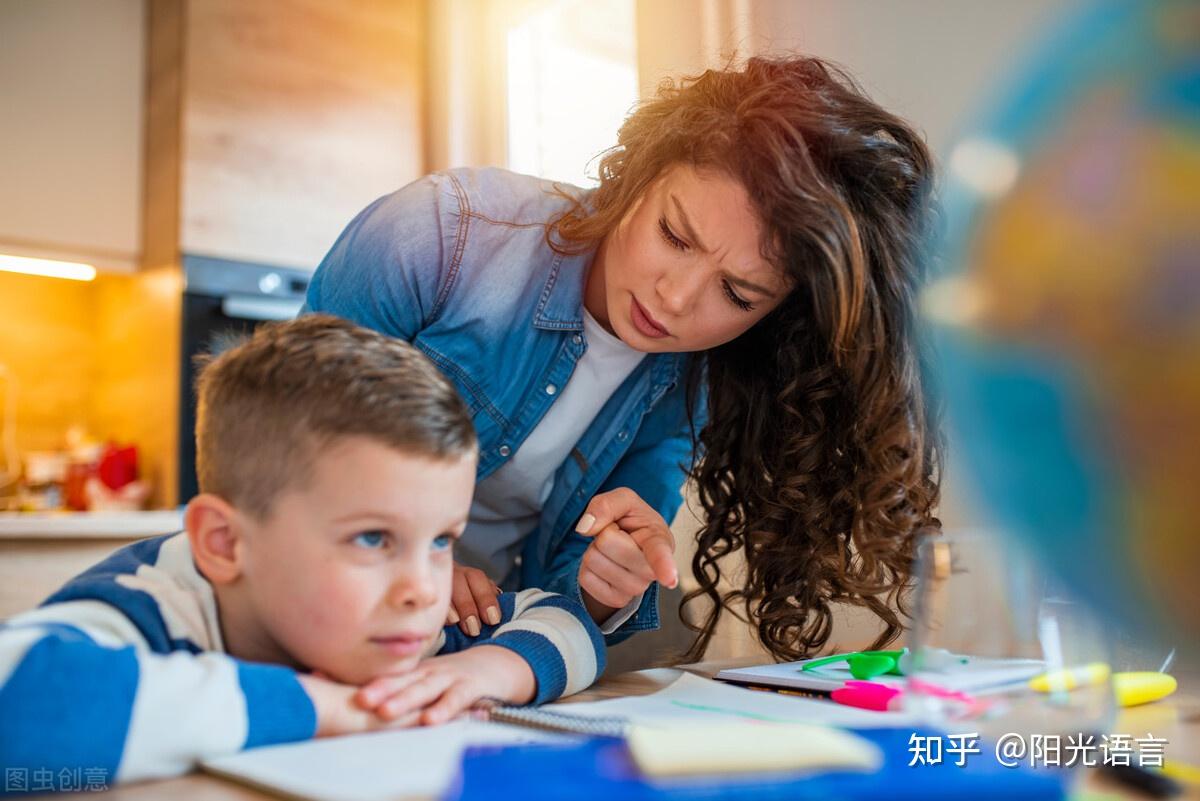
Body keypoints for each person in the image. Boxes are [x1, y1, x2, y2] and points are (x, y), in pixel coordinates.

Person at [304, 55, 942, 661]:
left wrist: (605, 582)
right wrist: (409, 568)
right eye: (674, 236)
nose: (675, 298)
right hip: (299, 616)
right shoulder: (440, 233)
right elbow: (282, 451)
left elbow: (565, 594)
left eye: (737, 293)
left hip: (458, 659)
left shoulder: (692, 382)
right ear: (640, 175)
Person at [0, 316, 605, 786]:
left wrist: (487, 669)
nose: (423, 588)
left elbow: (565, 618)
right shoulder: (151, 604)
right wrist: (332, 708)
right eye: (373, 538)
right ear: (226, 543)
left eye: (441, 540)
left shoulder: (403, 619)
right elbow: (16, 701)